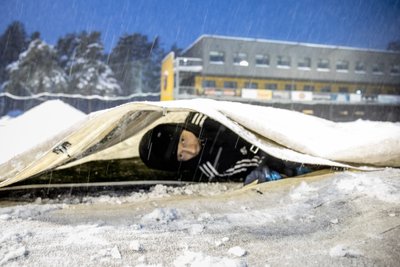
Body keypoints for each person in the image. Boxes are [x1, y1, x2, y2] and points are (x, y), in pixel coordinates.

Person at [139, 112, 313, 185]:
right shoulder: (211, 167)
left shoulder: (204, 117)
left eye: (183, 141)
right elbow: (248, 164)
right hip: (263, 156)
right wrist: (269, 162)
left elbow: (246, 121)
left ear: (182, 129)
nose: (191, 150)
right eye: (181, 156)